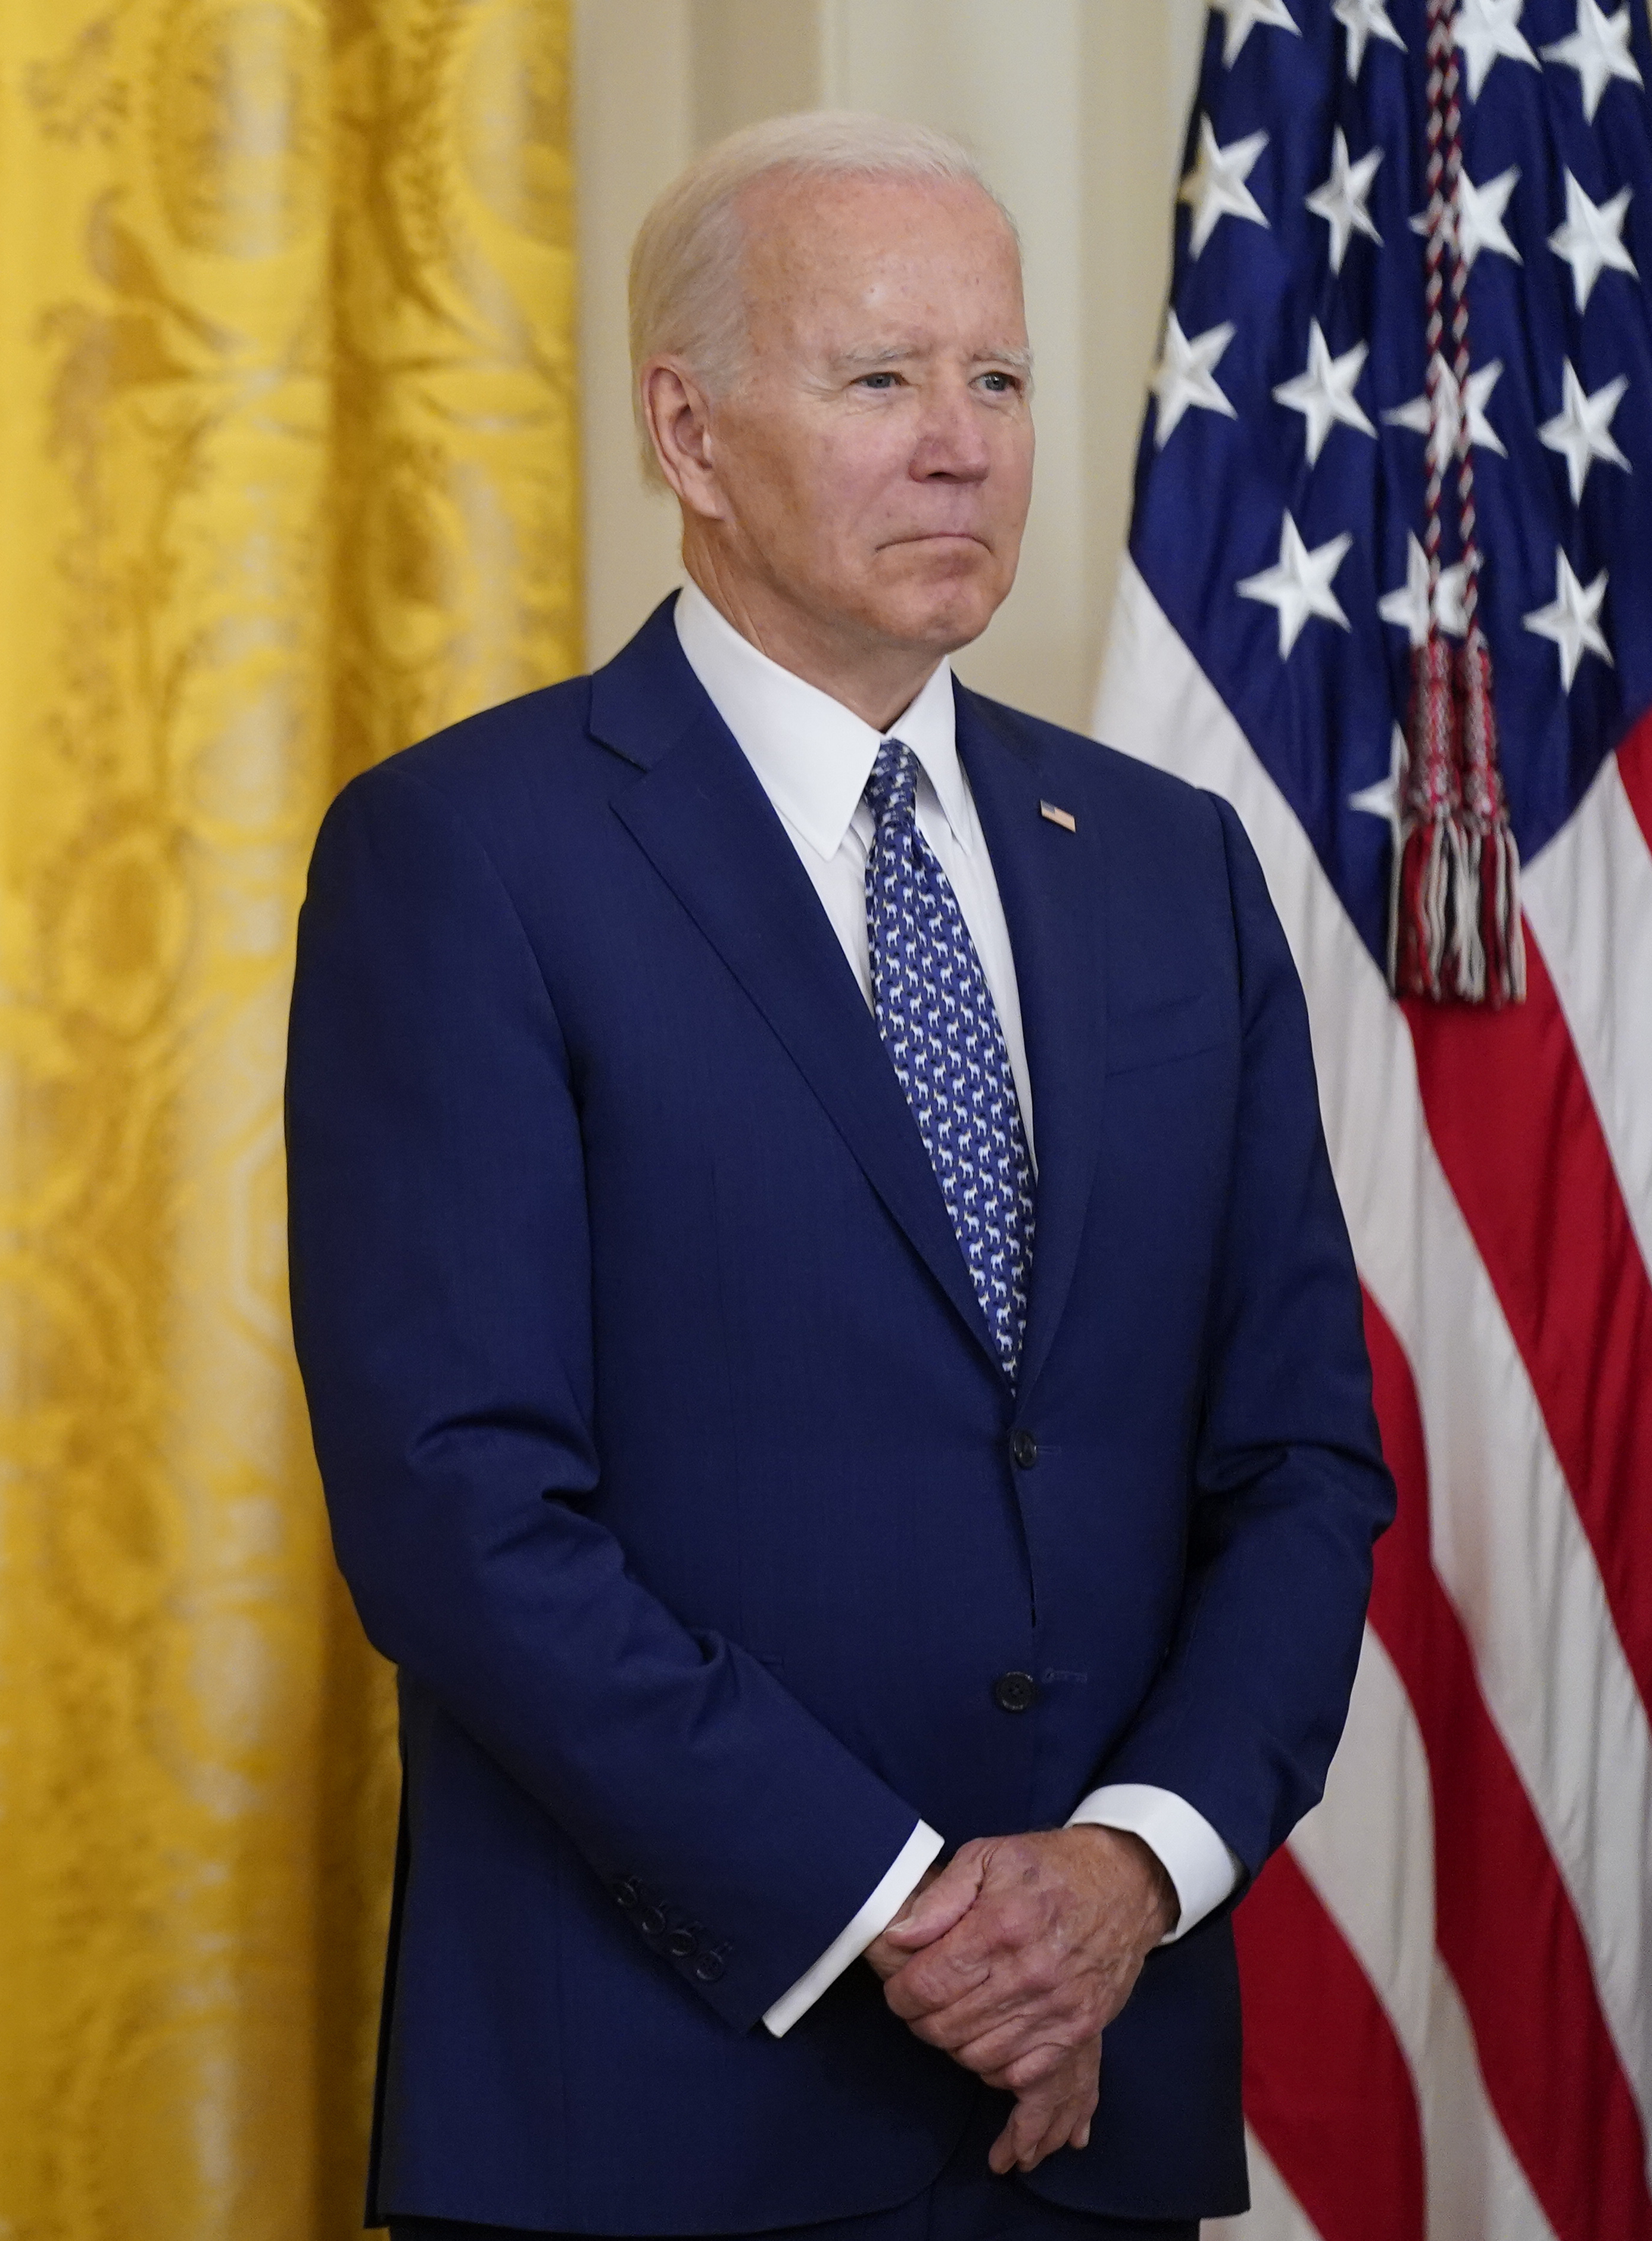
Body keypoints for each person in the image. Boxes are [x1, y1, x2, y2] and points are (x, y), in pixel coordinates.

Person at [283, 111, 1391, 2240]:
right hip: (658, 2119)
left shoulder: (1172, 872)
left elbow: (1296, 1466)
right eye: (879, 380)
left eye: (994, 379)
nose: (960, 445)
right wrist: (915, 1920)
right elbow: (461, 1508)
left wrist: (1121, 1873)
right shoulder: (470, 854)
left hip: (1100, 2105)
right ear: (685, 433)